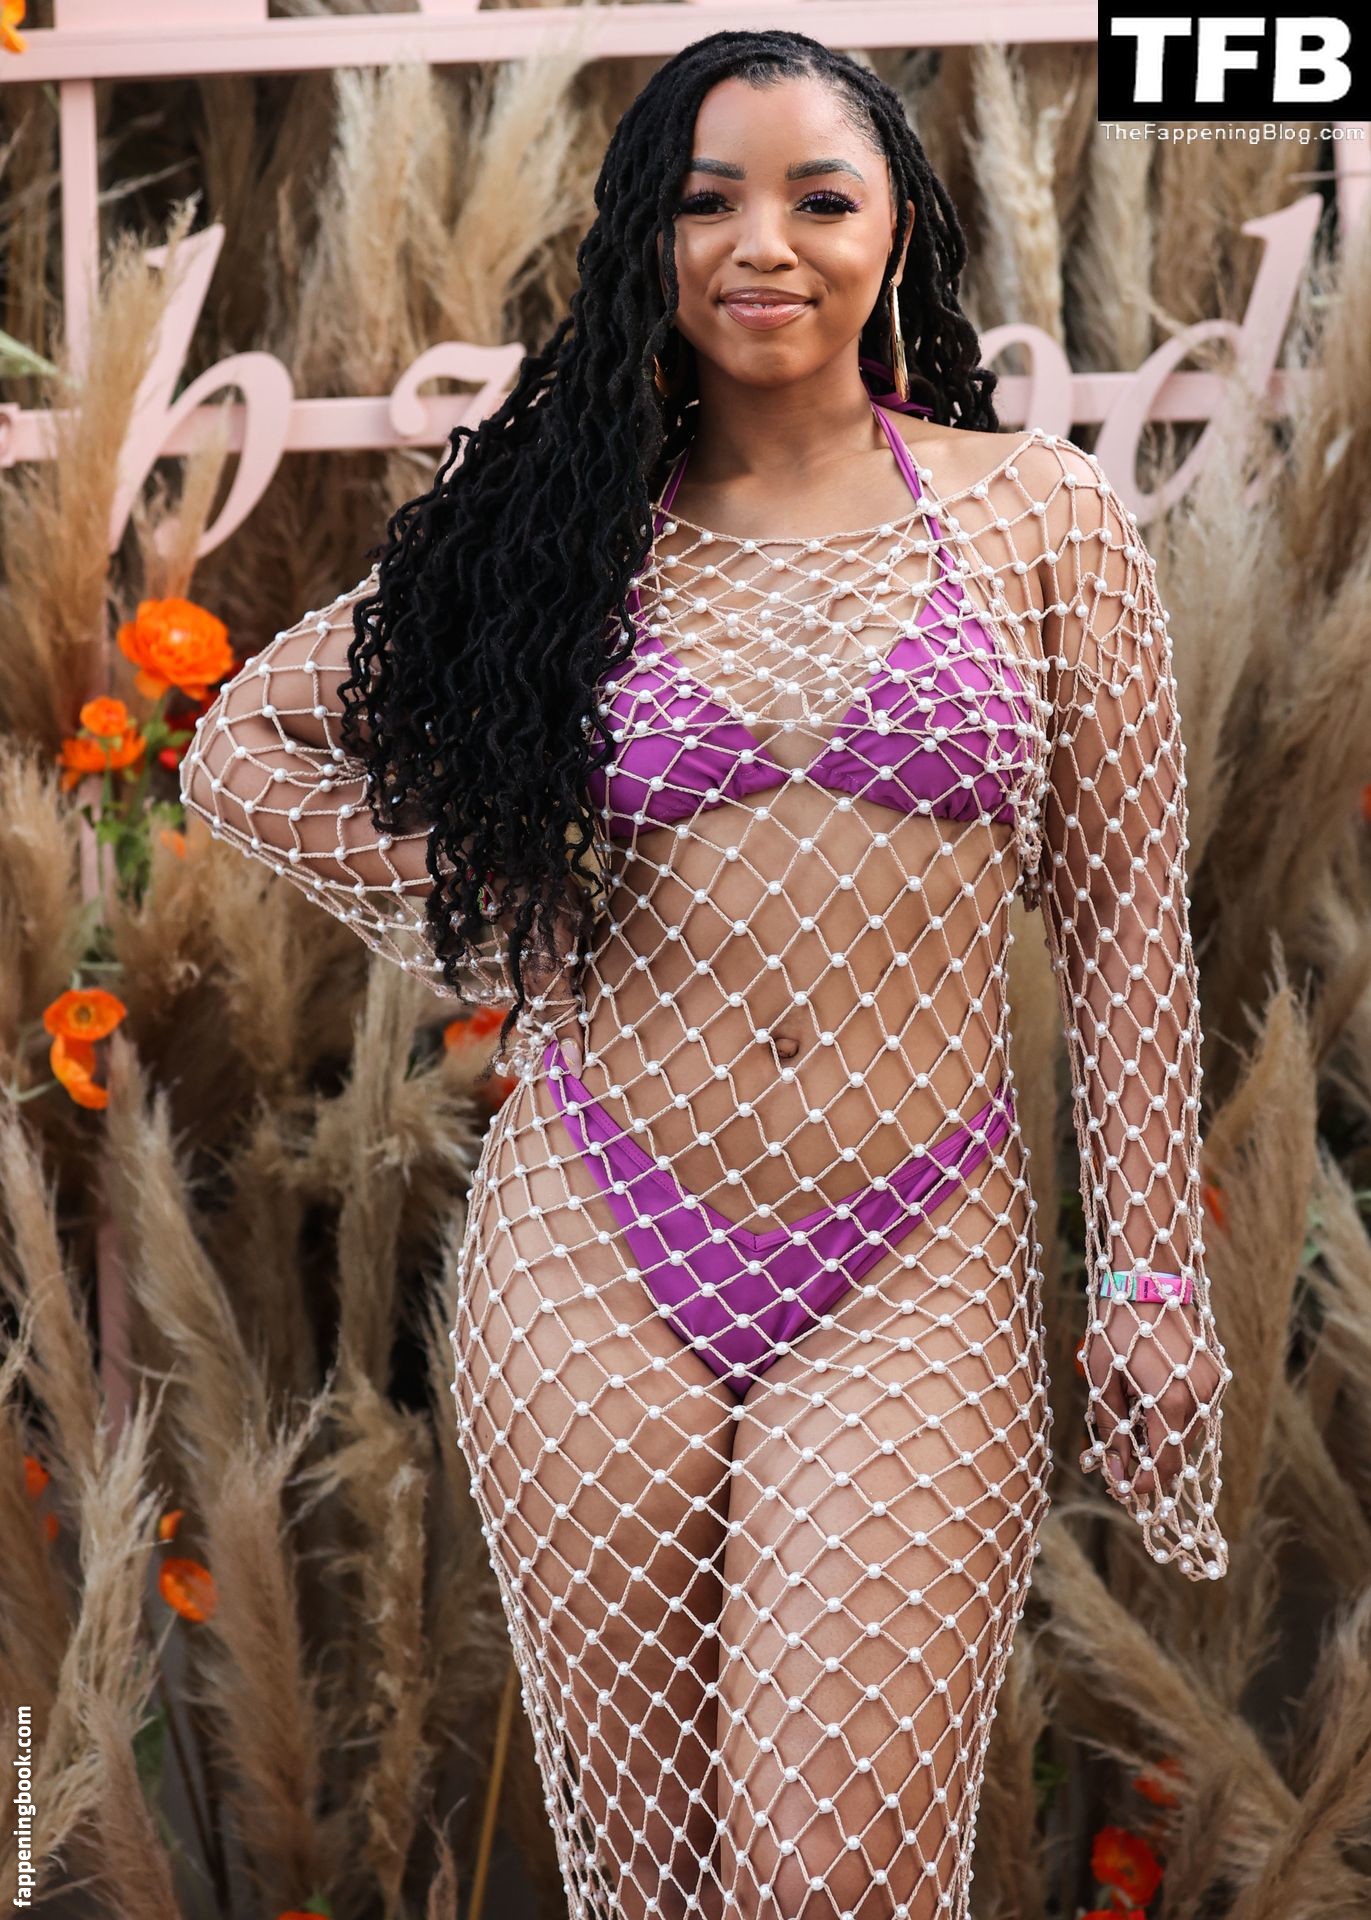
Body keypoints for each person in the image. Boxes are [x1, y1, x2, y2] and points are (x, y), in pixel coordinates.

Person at [181, 27, 1231, 1919]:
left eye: (819, 197)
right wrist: (486, 894)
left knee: (825, 1879)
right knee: (654, 1882)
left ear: (896, 229)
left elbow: (1126, 928)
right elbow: (244, 743)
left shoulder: (1041, 517)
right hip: (592, 1242)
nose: (764, 243)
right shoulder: (561, 530)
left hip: (914, 1252)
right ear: (643, 244)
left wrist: (1153, 1278)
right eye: (706, 200)